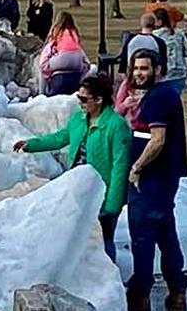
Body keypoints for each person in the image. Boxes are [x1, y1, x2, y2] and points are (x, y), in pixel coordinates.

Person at [14, 73, 131, 262]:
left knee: (104, 239)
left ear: (99, 100)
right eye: (79, 97)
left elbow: (120, 166)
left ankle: (109, 281)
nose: (80, 103)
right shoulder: (79, 119)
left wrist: (112, 203)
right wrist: (31, 144)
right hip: (79, 189)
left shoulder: (116, 126)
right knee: (79, 237)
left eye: (84, 99)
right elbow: (60, 138)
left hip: (102, 192)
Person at [125, 49, 187, 311]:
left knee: (142, 236)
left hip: (151, 180)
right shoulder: (164, 95)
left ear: (158, 70)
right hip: (165, 179)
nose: (140, 73)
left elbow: (158, 139)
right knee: (165, 233)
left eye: (145, 68)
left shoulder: (157, 98)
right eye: (136, 68)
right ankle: (176, 291)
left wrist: (137, 168)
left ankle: (140, 293)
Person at [39, 11, 89, 96]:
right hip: (76, 63)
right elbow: (83, 55)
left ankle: (41, 94)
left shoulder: (57, 32)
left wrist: (47, 72)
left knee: (42, 66)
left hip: (61, 61)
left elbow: (48, 52)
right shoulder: (73, 33)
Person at [153, 9, 187, 94]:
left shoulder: (155, 35)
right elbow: (186, 53)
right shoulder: (180, 34)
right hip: (180, 72)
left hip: (164, 74)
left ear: (159, 21)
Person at [119, 13, 168, 79]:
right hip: (151, 77)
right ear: (154, 24)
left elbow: (124, 58)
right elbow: (163, 63)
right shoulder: (159, 42)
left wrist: (122, 72)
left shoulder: (130, 40)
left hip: (133, 75)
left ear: (141, 23)